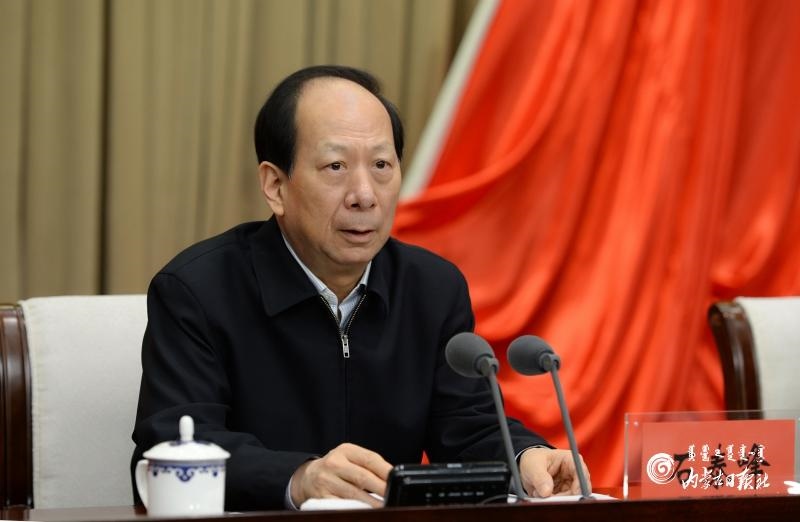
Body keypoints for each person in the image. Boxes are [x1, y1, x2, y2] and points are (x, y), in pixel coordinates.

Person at [131, 65, 590, 510]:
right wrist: (297, 478)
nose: (365, 195)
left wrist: (526, 456)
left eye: (381, 165)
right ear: (275, 186)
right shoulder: (198, 291)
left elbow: (466, 427)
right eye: (335, 166)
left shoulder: (432, 289)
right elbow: (170, 447)